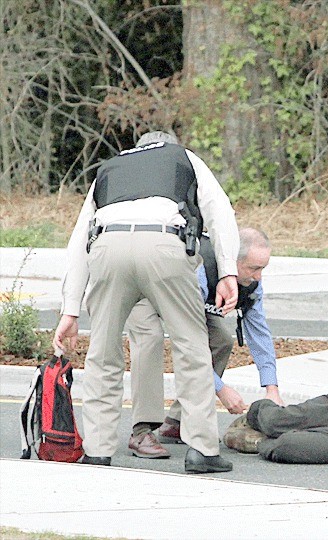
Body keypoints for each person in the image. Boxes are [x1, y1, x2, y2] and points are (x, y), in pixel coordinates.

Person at [53, 130, 239, 474]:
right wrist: (228, 272)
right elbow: (219, 212)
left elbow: (79, 237)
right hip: (163, 246)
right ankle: (201, 449)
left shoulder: (109, 167)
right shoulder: (184, 158)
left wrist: (71, 308)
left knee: (103, 353)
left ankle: (98, 449)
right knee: (192, 347)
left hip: (108, 247)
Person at [126, 227, 283, 458]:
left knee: (220, 339)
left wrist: (272, 388)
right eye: (253, 268)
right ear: (230, 261)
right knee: (150, 340)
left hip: (189, 302)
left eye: (263, 268)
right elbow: (188, 346)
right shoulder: (199, 271)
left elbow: (259, 335)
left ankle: (177, 422)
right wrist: (220, 389)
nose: (259, 276)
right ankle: (141, 431)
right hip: (148, 289)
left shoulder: (252, 285)